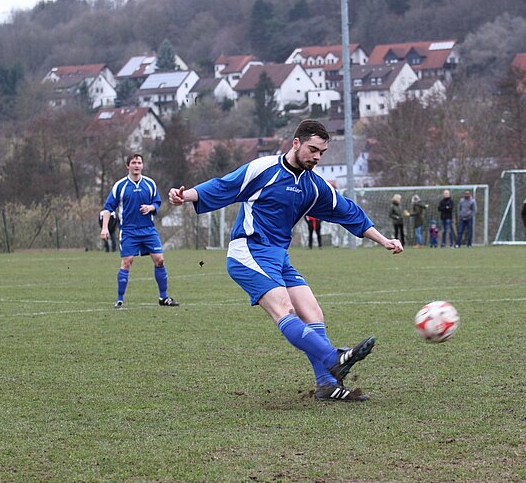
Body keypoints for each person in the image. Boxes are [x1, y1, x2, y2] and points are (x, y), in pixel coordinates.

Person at [168, 120, 403, 402]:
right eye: (312, 149)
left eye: (322, 153)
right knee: (284, 308)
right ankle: (333, 357)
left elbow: (348, 212)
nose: (317, 157)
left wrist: (383, 239)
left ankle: (327, 385)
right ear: (295, 143)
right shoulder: (263, 168)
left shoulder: (314, 186)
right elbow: (224, 186)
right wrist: (185, 196)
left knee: (313, 314)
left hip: (279, 256)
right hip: (249, 250)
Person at [101, 153, 179, 309]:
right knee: (127, 262)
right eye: (133, 163)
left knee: (160, 260)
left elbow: (157, 203)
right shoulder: (120, 186)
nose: (136, 165)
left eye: (139, 162)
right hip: (129, 231)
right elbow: (108, 208)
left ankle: (163, 298)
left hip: (148, 230)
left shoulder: (149, 184)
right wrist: (104, 228)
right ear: (127, 165)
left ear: (142, 165)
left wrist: (151, 207)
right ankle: (120, 299)